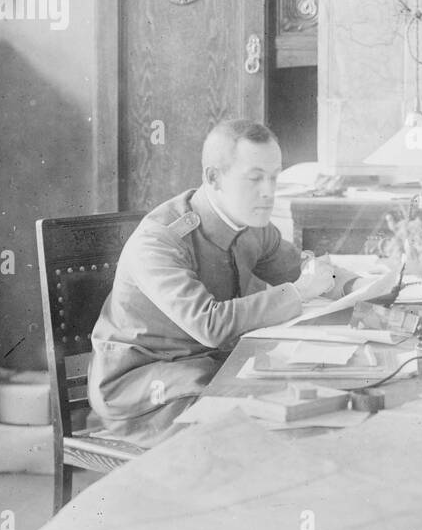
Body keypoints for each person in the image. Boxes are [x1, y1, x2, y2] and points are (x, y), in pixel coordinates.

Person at [89, 119, 385, 446]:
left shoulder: (250, 224)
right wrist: (300, 292)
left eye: (274, 177)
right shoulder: (160, 240)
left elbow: (302, 266)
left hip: (207, 370)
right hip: (143, 387)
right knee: (271, 430)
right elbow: (210, 324)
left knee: (315, 399)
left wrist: (356, 286)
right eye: (255, 178)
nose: (269, 192)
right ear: (214, 178)